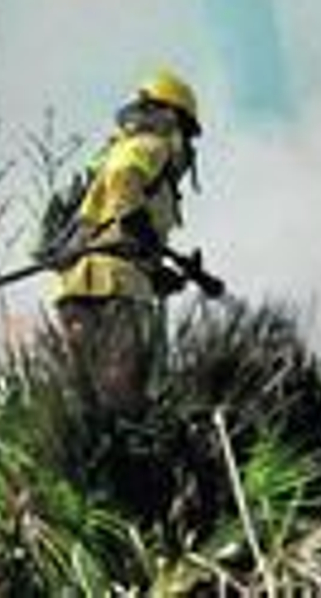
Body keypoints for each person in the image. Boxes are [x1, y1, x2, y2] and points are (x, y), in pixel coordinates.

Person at [49, 68, 216, 410]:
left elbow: (114, 225)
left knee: (85, 398)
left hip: (79, 287)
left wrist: (155, 274)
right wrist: (135, 220)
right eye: (187, 131)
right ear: (172, 117)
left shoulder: (118, 151)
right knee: (122, 395)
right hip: (116, 288)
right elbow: (124, 179)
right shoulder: (151, 145)